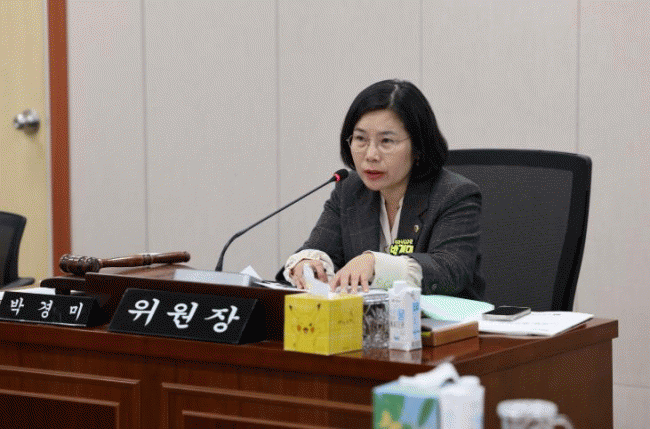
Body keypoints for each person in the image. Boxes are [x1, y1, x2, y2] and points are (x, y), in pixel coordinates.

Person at [280, 79, 485, 301]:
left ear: (418, 147)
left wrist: (375, 263)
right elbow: (320, 247)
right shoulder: (349, 190)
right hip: (366, 321)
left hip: (438, 322)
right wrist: (307, 264)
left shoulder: (453, 194)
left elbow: (451, 271)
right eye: (360, 139)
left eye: (386, 141)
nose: (371, 155)